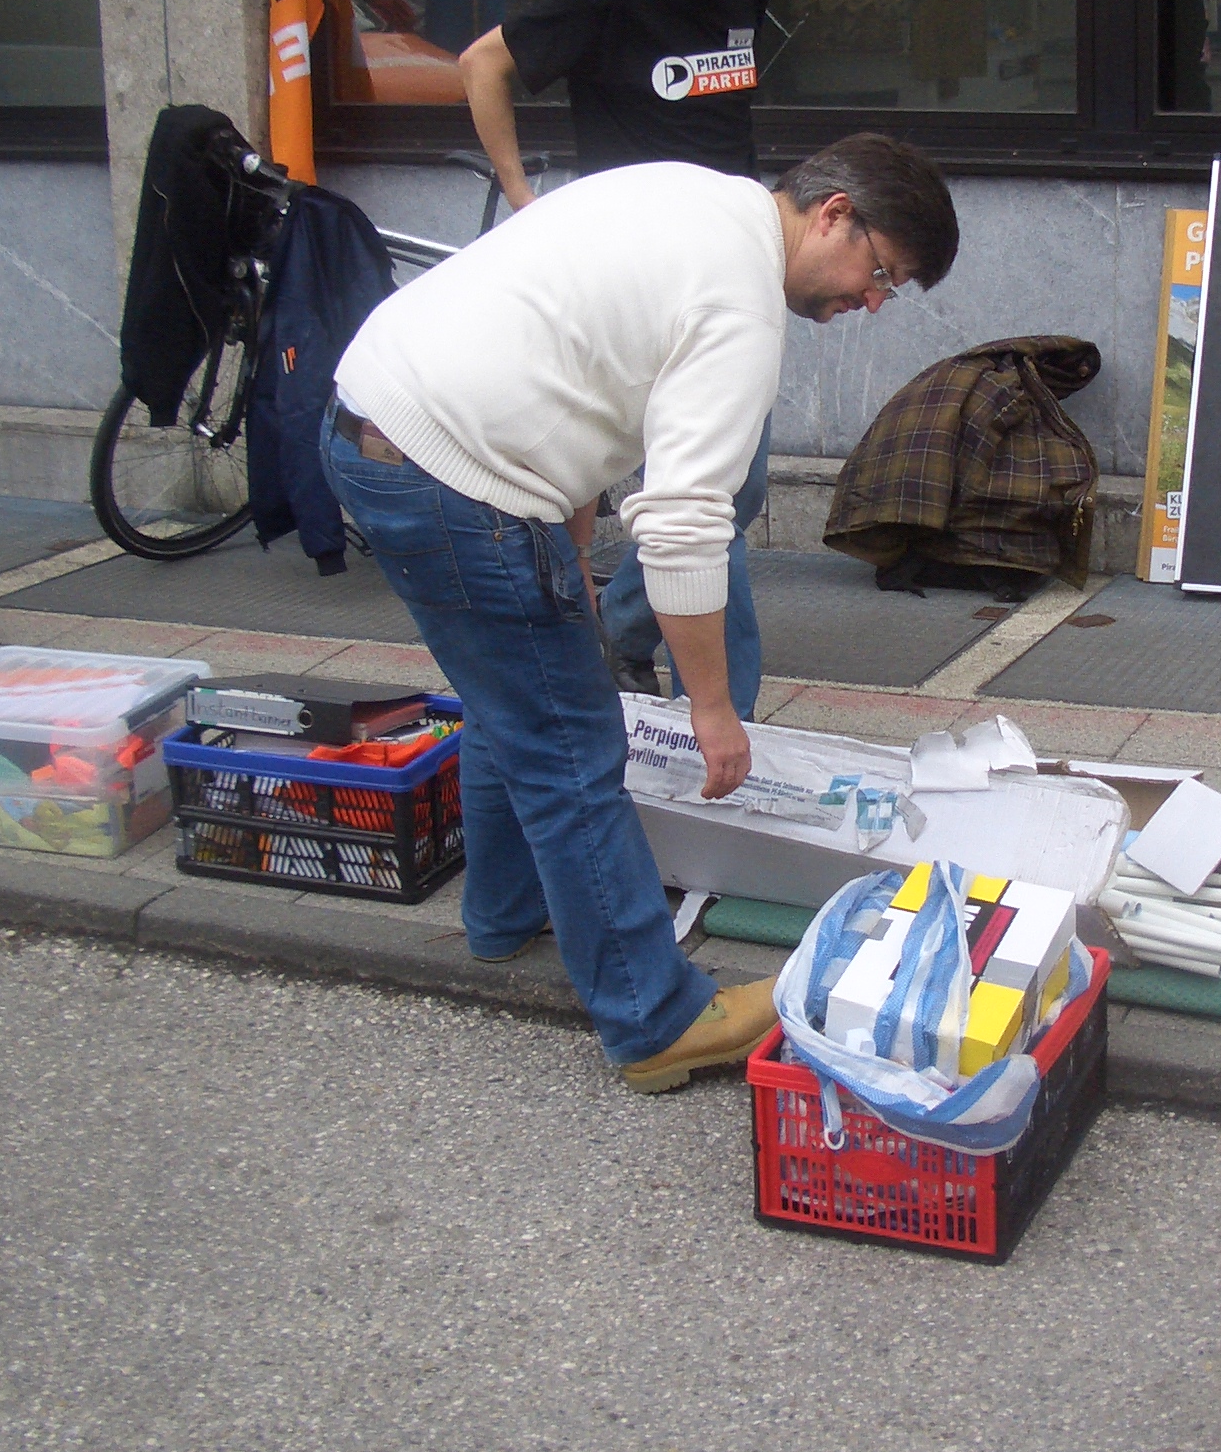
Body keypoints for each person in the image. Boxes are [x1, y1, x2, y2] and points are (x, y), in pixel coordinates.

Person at [323, 133, 959, 1092]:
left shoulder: (690, 196)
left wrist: (571, 554)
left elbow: (578, 374)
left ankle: (502, 918)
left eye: (890, 291)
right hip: (451, 469)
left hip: (376, 420)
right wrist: (712, 707)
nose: (871, 303)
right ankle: (654, 1018)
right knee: (573, 752)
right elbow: (684, 523)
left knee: (514, 702)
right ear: (834, 214)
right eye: (881, 274)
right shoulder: (741, 305)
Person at [459, 0, 777, 715]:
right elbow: (481, 64)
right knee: (711, 499)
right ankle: (733, 717)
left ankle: (628, 631)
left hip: (726, 254)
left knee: (736, 482)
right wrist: (521, 193)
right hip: (631, 268)